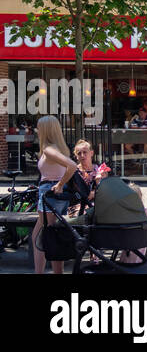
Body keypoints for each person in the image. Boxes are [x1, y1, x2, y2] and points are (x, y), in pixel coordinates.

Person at [32, 116, 76, 275]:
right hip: (54, 195)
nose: (37, 131)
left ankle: (46, 272)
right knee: (46, 235)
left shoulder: (49, 149)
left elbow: (72, 166)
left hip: (49, 194)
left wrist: (59, 184)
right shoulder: (59, 148)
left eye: (39, 128)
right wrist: (60, 184)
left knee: (46, 237)